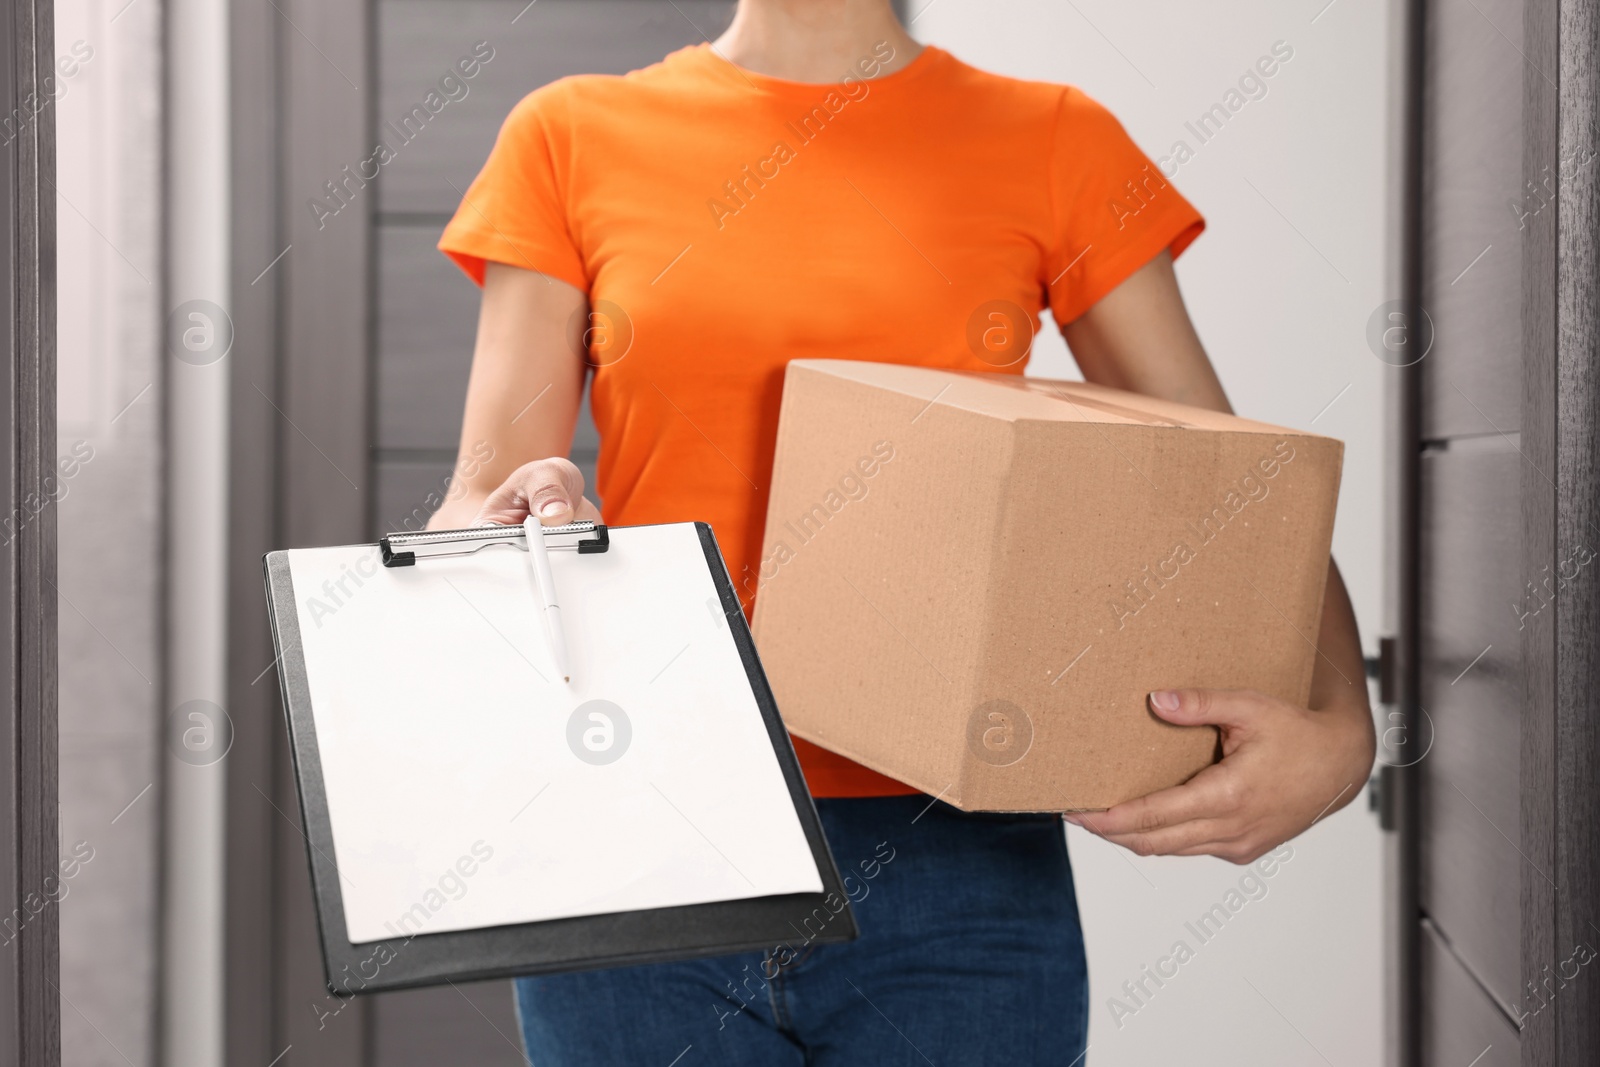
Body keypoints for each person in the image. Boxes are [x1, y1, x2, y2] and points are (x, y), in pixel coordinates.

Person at [426, 0, 1376, 1061]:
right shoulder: (567, 134)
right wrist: (510, 515)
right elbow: (481, 493)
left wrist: (1342, 724)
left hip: (955, 851)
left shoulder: (1054, 137)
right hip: (638, 828)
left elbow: (1231, 481)